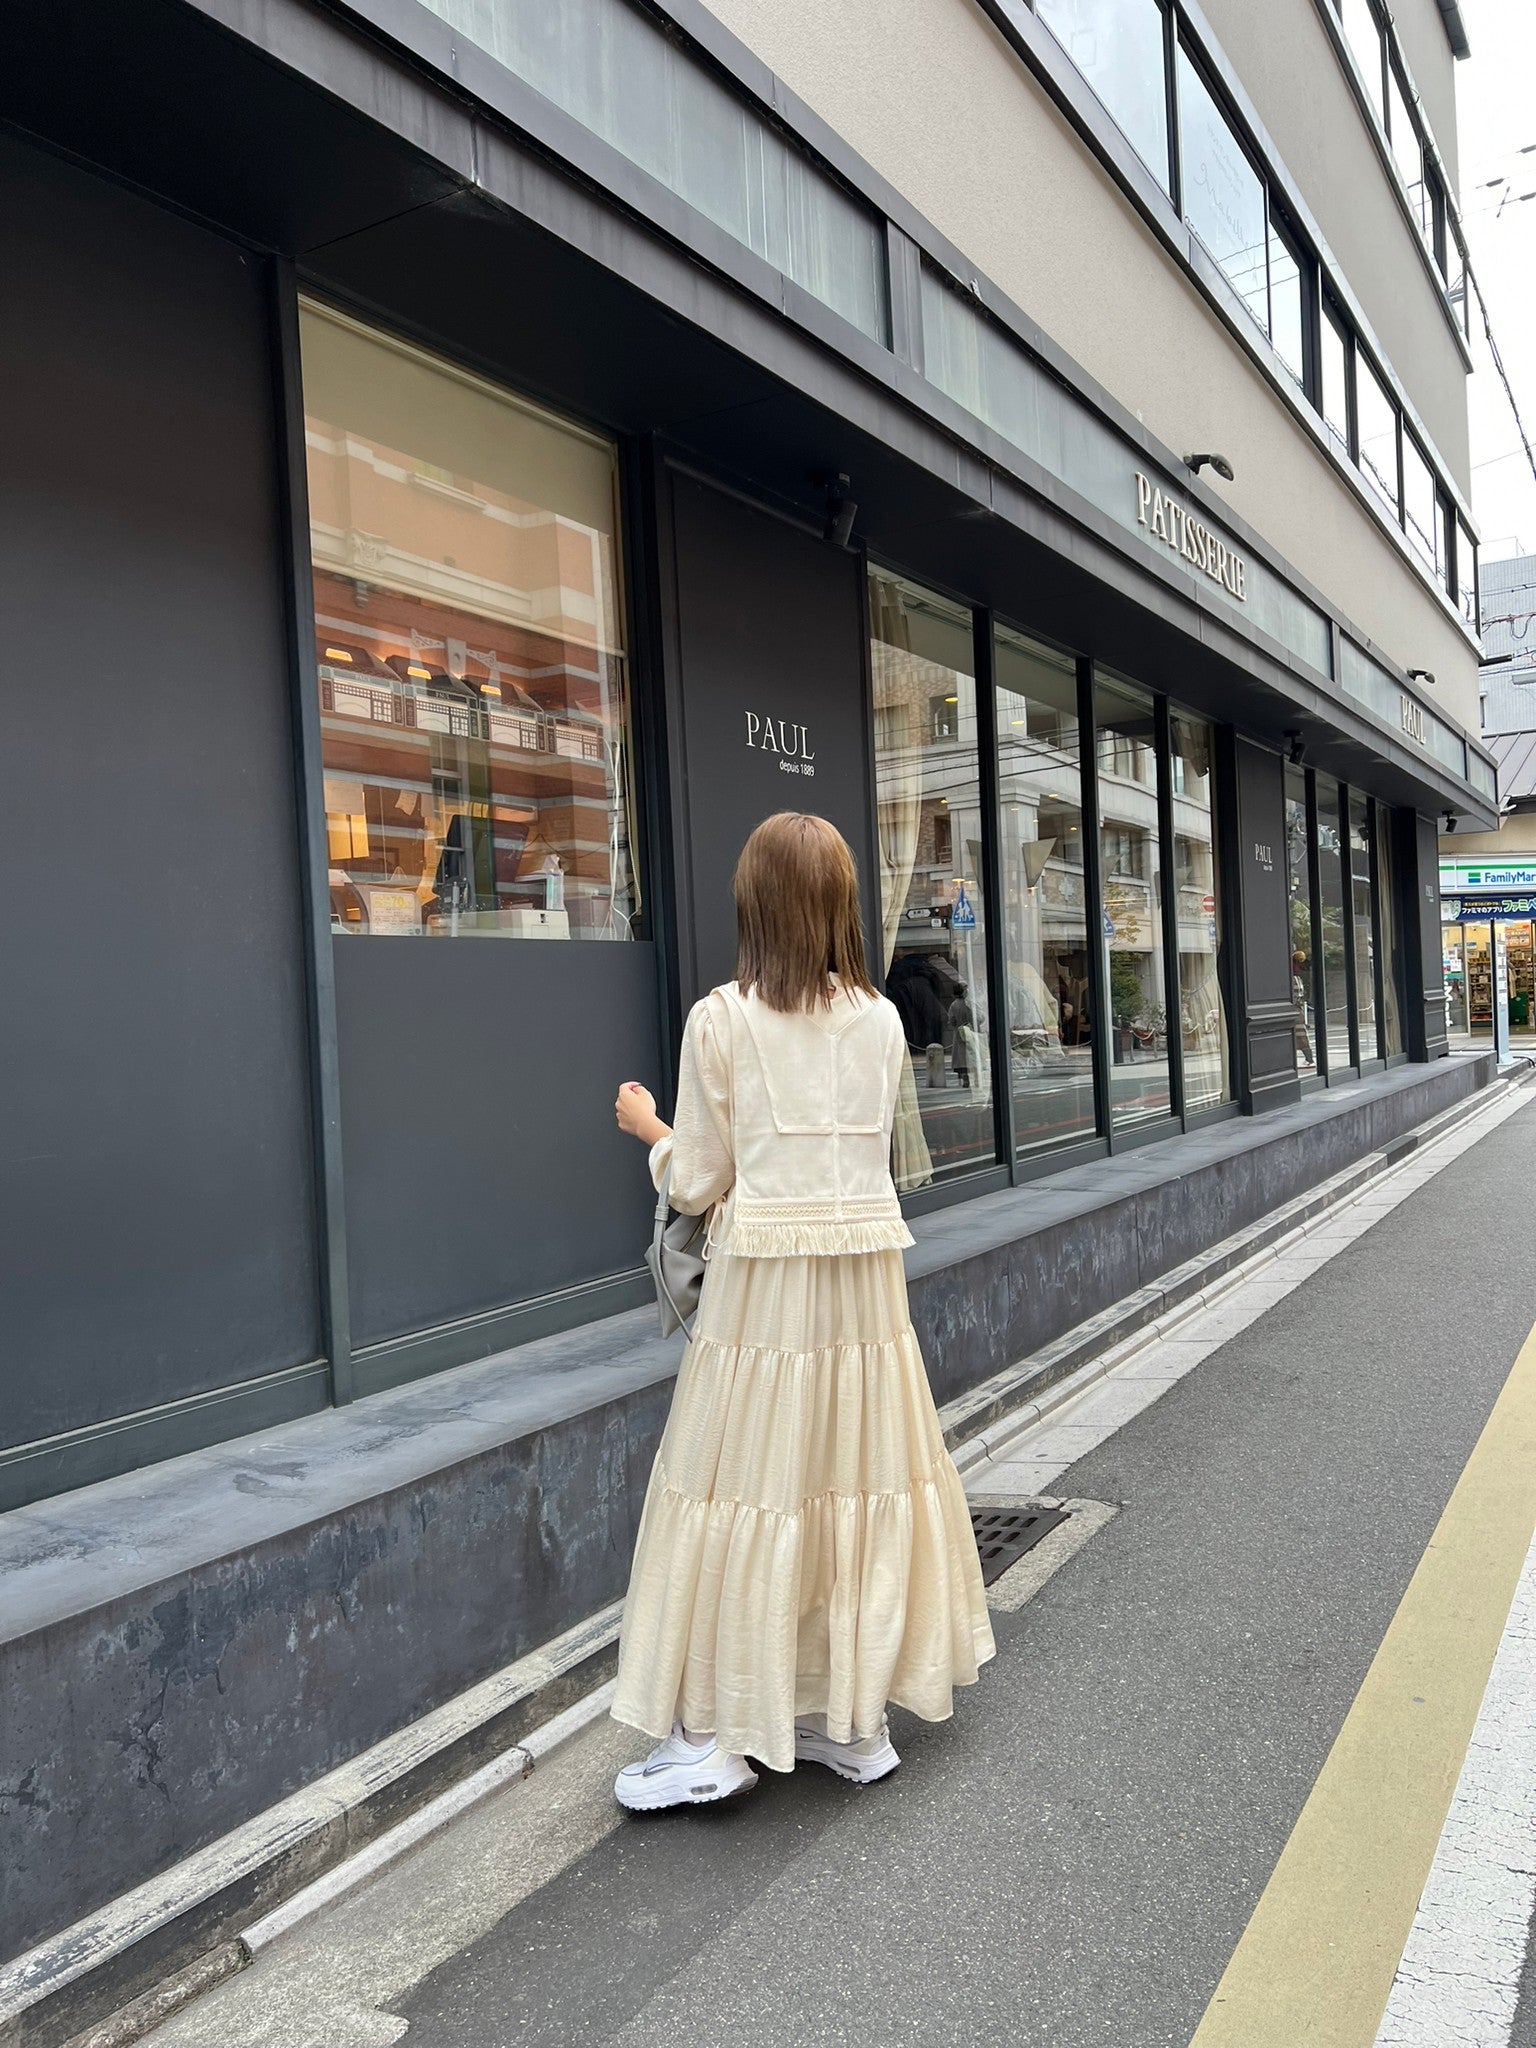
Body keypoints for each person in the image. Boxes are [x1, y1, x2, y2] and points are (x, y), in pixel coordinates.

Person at [610, 812, 995, 1810]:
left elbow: (697, 1180)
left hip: (766, 1298)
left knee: (741, 1485)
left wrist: (647, 1125)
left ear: (755, 905)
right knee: (850, 1479)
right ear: (840, 906)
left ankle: (719, 1735)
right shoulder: (878, 1020)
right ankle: (846, 1716)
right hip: (864, 1290)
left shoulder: (721, 1019)